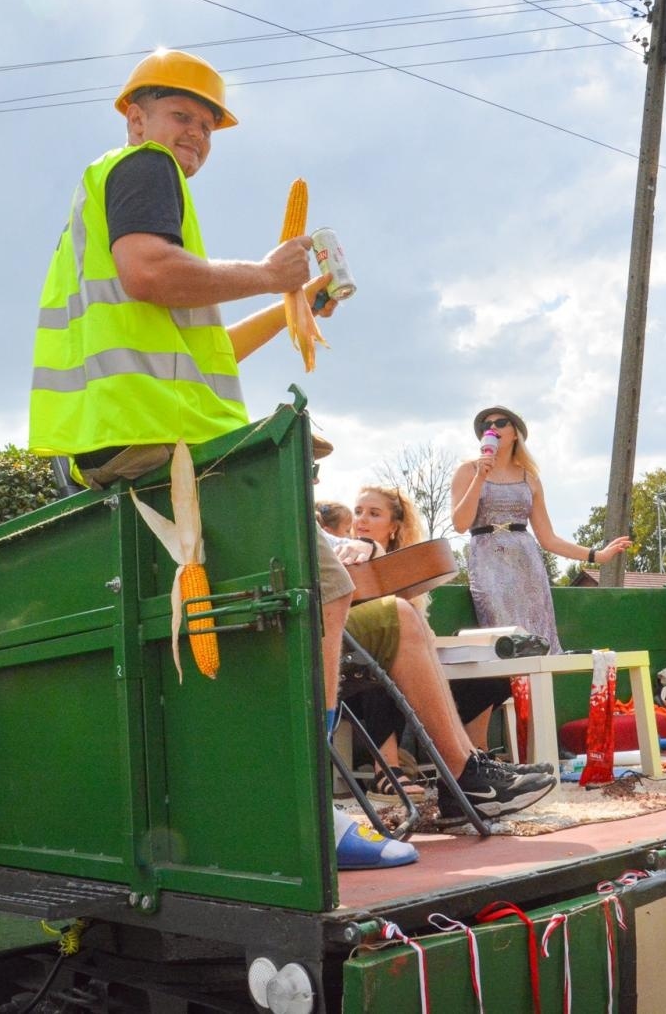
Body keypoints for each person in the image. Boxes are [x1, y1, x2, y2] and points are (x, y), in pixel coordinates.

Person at [26, 48, 409, 869]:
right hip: (155, 437)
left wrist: (285, 303)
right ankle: (307, 808)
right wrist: (267, 270)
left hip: (132, 433)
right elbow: (151, 273)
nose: (194, 135)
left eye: (207, 124)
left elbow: (203, 343)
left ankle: (265, 800)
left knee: (264, 610)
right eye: (181, 116)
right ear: (137, 115)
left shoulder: (117, 181)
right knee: (330, 589)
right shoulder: (145, 170)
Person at [346, 484, 557, 821]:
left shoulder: (407, 569)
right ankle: (387, 768)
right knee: (382, 655)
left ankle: (474, 759)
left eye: (373, 513)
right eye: (358, 512)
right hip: (356, 676)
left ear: (395, 524)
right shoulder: (346, 557)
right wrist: (364, 548)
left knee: (496, 675)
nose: (361, 520)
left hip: (409, 682)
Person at [449, 406, 631, 749]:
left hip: (526, 562)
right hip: (487, 557)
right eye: (485, 425)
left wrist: (597, 555)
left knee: (535, 650)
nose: (492, 428)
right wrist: (480, 477)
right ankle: (479, 748)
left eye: (500, 422)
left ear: (515, 431)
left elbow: (548, 537)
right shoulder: (468, 470)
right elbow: (460, 523)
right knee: (500, 651)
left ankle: (539, 740)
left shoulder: (529, 476)